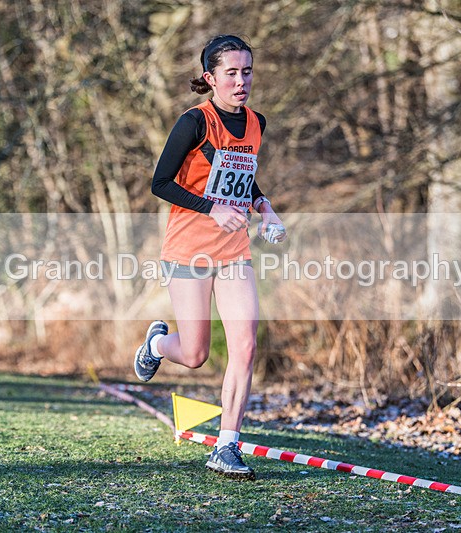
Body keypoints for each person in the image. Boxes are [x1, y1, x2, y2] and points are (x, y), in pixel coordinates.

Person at [133, 34, 285, 481]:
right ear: (211, 78)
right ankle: (157, 344)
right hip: (188, 248)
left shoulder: (256, 123)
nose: (242, 81)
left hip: (234, 251)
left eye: (248, 71)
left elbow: (244, 181)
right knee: (196, 354)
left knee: (245, 345)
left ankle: (226, 445)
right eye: (232, 73)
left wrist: (265, 208)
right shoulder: (194, 123)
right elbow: (160, 183)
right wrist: (211, 208)